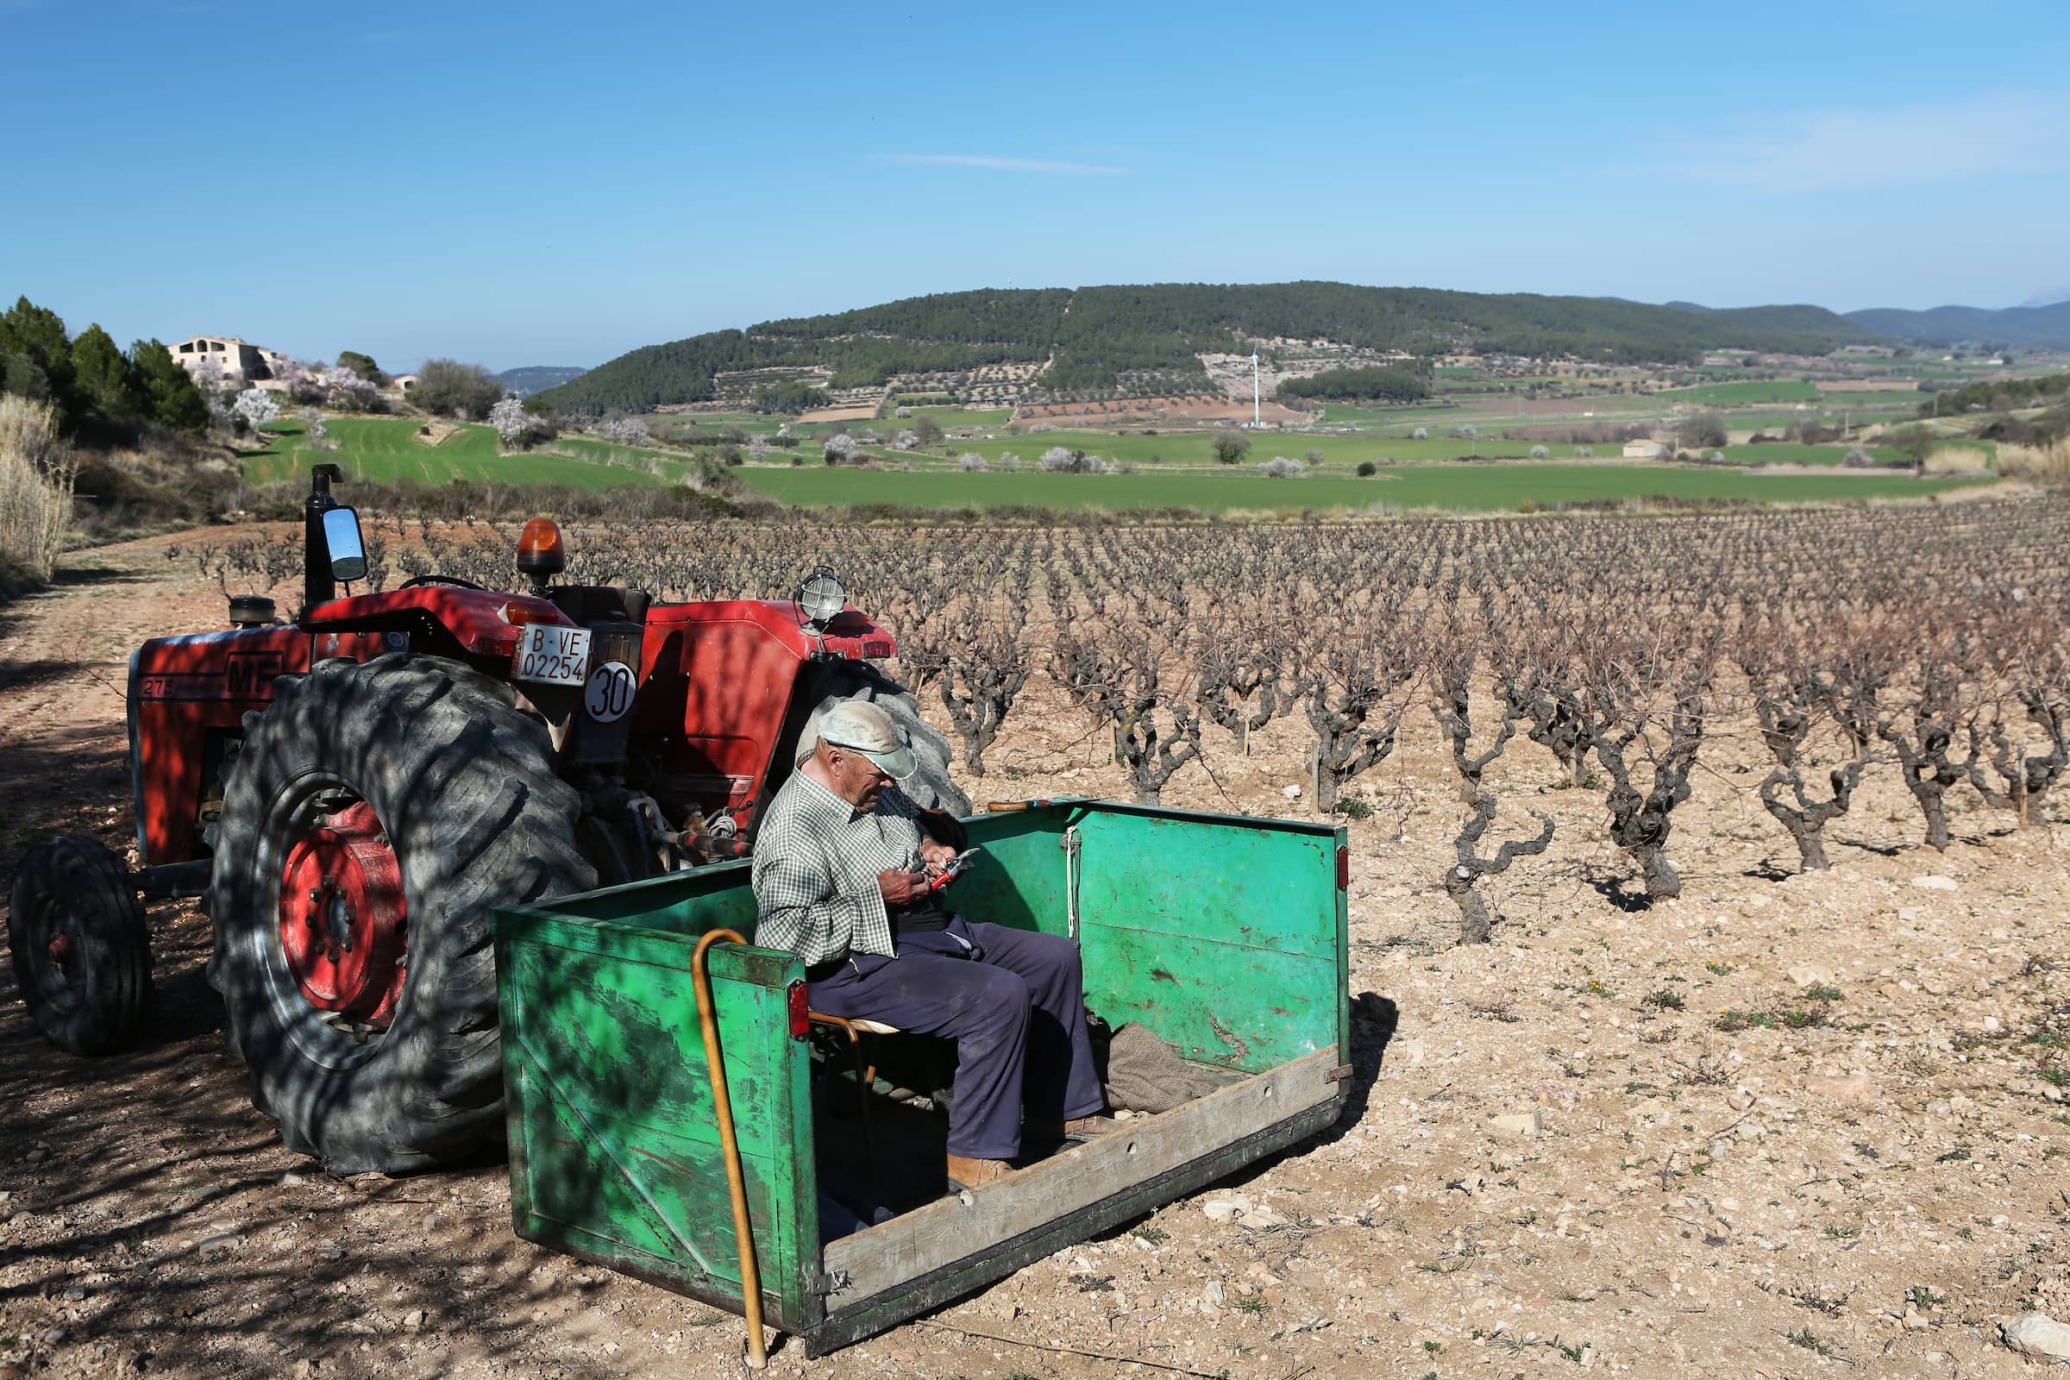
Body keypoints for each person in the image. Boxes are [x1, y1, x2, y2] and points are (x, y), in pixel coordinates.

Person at [751, 700, 1112, 1190]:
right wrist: (877, 898)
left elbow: (906, 829)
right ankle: (974, 1158)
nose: (888, 784)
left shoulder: (872, 789)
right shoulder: (795, 827)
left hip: (922, 932)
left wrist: (929, 850)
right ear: (835, 758)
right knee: (997, 995)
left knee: (1054, 959)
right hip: (850, 966)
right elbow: (781, 937)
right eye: (879, 773)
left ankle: (1063, 1113)